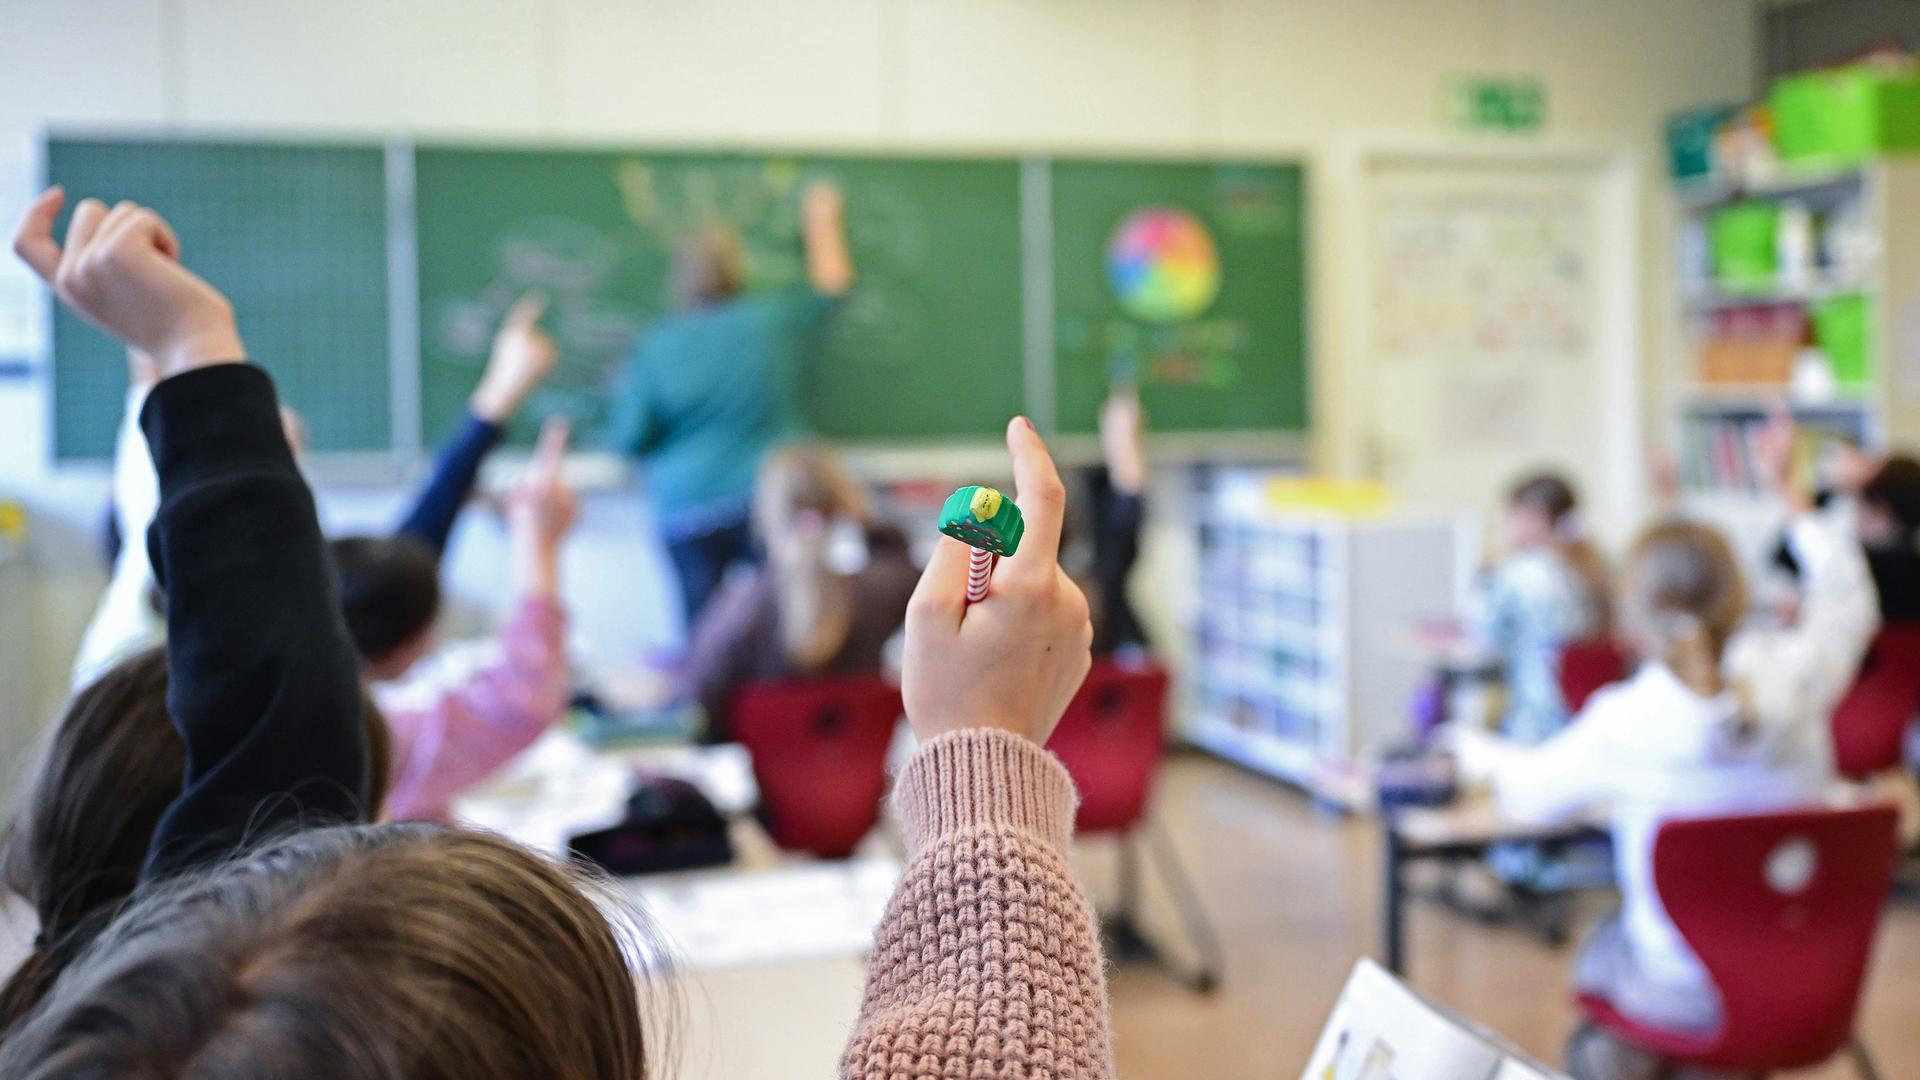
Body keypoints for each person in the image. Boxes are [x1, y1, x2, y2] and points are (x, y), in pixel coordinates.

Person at [5, 189, 1112, 1078]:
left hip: (694, 535)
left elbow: (268, 763)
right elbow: (274, 732)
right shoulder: (790, 363)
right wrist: (985, 750)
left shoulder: (129, 1021)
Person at [1453, 431, 1877, 1080]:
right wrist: (1789, 494)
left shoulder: (1627, 720)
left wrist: (1468, 752)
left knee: (1606, 952)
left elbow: (1526, 795)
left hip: (1683, 998)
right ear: (1739, 591)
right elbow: (1849, 597)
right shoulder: (1800, 676)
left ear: (1635, 612)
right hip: (1805, 983)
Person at [608, 181, 855, 624]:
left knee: (704, 639)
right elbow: (833, 289)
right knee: (790, 623)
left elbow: (629, 438)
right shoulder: (772, 323)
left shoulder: (656, 347)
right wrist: (822, 220)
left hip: (686, 508)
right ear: (737, 271)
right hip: (769, 499)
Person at [675, 442, 917, 739]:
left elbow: (699, 703)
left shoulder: (742, 606)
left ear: (767, 513)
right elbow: (917, 580)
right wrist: (869, 523)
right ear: (845, 503)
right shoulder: (883, 588)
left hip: (763, 783)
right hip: (866, 782)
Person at [1464, 471, 1610, 743]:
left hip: (1536, 723)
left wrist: (1493, 562)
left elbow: (1482, 633)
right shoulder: (1596, 565)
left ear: (1535, 517)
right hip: (1588, 723)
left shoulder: (1521, 572)